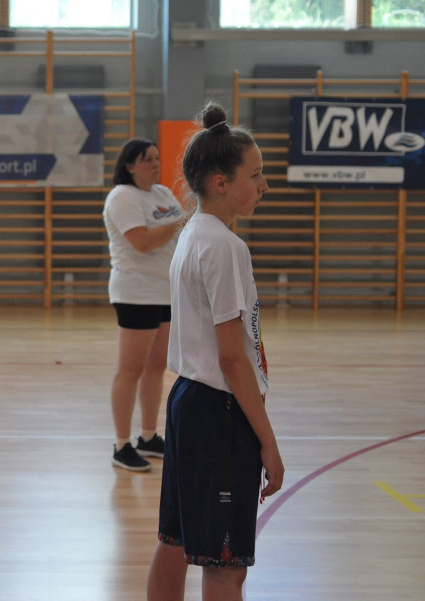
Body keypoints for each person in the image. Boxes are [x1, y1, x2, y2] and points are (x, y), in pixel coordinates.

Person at [146, 103, 284, 601]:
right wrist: (268, 441)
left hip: (188, 402)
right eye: (257, 174)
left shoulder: (194, 234)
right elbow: (231, 357)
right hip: (219, 412)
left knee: (175, 540)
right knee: (226, 566)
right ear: (221, 182)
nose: (264, 185)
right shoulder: (226, 248)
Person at [103, 138, 186, 472]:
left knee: (156, 368)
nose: (155, 163)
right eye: (147, 159)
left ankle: (148, 437)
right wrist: (178, 223)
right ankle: (121, 445)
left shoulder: (163, 194)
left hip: (167, 292)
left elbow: (182, 232)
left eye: (156, 157)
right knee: (131, 369)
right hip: (136, 292)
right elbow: (141, 241)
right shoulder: (122, 197)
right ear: (130, 165)